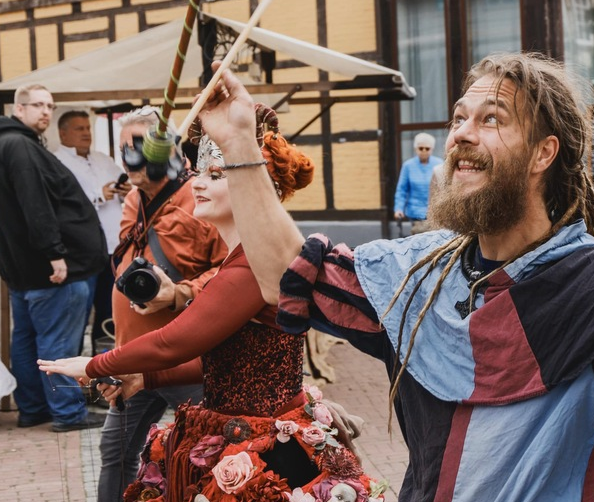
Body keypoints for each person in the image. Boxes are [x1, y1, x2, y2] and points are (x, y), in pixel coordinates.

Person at [186, 52, 594, 502]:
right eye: (459, 118)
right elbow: (289, 276)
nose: (462, 134)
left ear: (544, 154)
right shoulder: (419, 273)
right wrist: (240, 141)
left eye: (491, 119)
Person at [41, 105, 381, 502]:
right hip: (239, 430)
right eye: (201, 172)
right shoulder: (240, 258)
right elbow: (225, 359)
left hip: (269, 450)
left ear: (254, 188)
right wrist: (145, 378)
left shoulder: (253, 265)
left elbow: (177, 341)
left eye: (216, 176)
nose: (198, 184)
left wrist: (93, 364)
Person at [92, 107, 228, 502]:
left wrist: (180, 292)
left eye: (137, 147)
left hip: (185, 359)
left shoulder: (204, 193)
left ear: (165, 149)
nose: (127, 158)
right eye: (122, 148)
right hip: (132, 356)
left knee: (206, 454)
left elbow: (234, 269)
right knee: (115, 454)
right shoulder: (134, 198)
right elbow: (124, 260)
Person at [0, 84, 107, 431]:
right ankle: (68, 413)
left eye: (50, 105)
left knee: (28, 343)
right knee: (57, 345)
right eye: (38, 105)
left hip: (21, 270)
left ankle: (33, 409)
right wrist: (55, 255)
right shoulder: (19, 147)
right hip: (53, 271)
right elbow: (36, 206)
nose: (45, 111)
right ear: (19, 109)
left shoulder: (1, 145)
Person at [55, 109, 129, 350]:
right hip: (81, 251)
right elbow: (61, 202)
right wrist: (98, 195)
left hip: (113, 245)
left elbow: (124, 182)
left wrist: (124, 191)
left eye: (87, 128)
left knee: (111, 309)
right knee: (79, 312)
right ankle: (75, 369)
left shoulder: (102, 159)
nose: (86, 133)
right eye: (79, 129)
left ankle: (106, 368)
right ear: (63, 133)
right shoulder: (57, 162)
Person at [393, 132, 442, 234]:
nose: (424, 151)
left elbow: (445, 188)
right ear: (416, 149)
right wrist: (398, 209)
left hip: (435, 212)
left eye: (427, 148)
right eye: (420, 148)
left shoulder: (439, 164)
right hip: (415, 213)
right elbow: (402, 189)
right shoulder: (408, 166)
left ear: (432, 149)